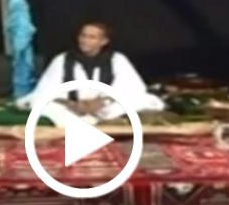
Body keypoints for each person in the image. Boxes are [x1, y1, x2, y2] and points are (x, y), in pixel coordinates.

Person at [16, 21, 164, 127]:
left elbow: (132, 87)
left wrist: (102, 101)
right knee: (39, 103)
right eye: (83, 36)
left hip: (104, 107)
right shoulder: (63, 59)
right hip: (71, 108)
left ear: (103, 41)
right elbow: (46, 90)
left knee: (142, 100)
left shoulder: (117, 59)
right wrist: (71, 104)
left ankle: (103, 123)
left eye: (92, 37)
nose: (85, 40)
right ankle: (85, 126)